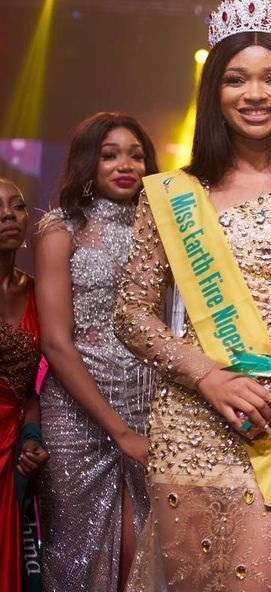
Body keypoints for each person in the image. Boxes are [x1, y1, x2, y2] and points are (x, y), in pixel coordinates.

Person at [114, 0, 271, 591]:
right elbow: (131, 313)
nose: (255, 94)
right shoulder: (173, 194)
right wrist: (208, 375)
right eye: (236, 80)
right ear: (214, 92)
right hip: (189, 429)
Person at [34, 113, 158, 591]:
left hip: (147, 402)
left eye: (136, 155)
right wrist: (120, 432)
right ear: (89, 162)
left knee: (144, 548)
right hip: (77, 408)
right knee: (78, 552)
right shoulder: (59, 229)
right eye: (110, 155)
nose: (125, 165)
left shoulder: (162, 229)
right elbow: (55, 342)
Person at [0, 178, 45, 592]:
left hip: (11, 448)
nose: (8, 216)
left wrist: (32, 437)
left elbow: (30, 387)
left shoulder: (37, 292)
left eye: (17, 206)